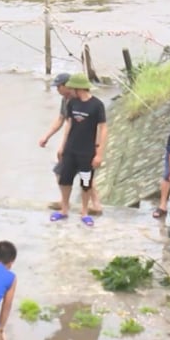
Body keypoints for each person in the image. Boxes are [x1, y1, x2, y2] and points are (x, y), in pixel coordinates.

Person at [39, 73, 102, 215]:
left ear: (67, 86)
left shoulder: (83, 102)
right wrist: (46, 136)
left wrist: (63, 146)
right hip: (73, 144)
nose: (57, 90)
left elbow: (73, 125)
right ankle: (66, 202)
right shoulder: (67, 101)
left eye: (59, 87)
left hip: (83, 145)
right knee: (62, 172)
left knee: (84, 174)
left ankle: (94, 204)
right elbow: (61, 119)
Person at [53, 73, 107, 227]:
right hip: (71, 149)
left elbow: (103, 128)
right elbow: (68, 124)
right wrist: (63, 146)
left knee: (85, 182)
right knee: (65, 180)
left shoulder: (97, 105)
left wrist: (99, 153)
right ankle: (64, 210)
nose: (70, 91)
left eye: (72, 88)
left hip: (87, 151)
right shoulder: (72, 103)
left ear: (79, 88)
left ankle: (84, 212)